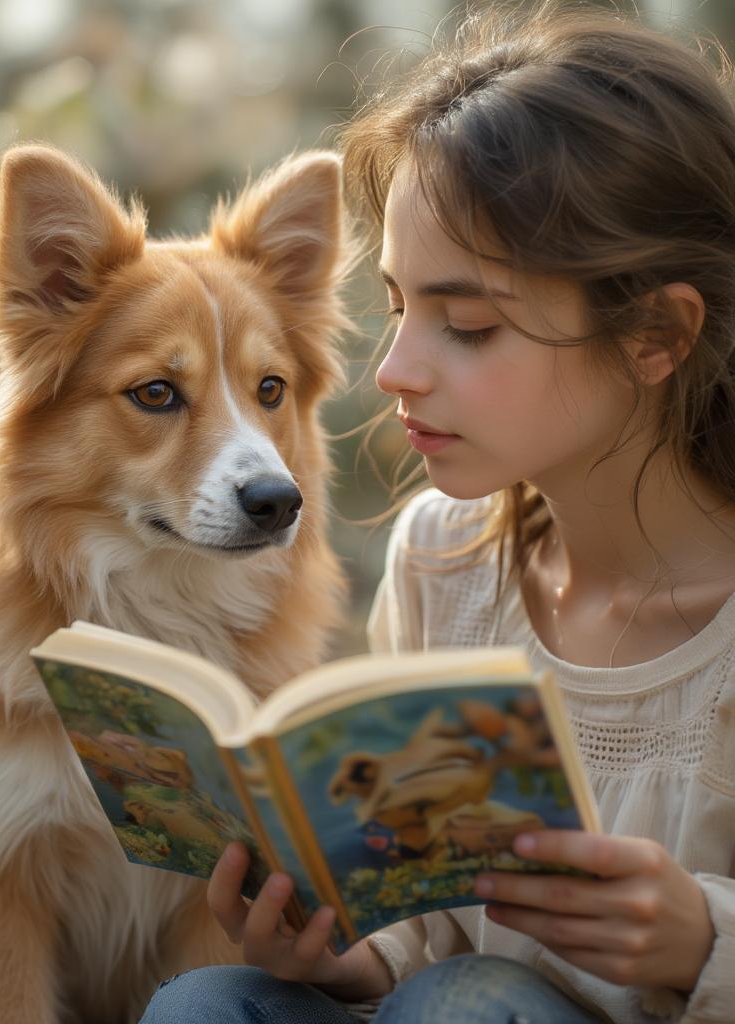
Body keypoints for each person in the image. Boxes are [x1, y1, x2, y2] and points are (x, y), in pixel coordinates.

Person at [139, 3, 735, 1023]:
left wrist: (702, 940)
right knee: (209, 1002)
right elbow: (425, 934)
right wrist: (337, 951)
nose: (394, 370)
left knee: (468, 1001)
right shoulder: (443, 561)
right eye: (398, 305)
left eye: (465, 325)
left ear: (653, 333)